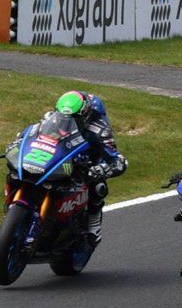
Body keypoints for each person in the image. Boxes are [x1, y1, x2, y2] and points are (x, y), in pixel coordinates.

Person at [33, 90, 127, 246]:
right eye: (64, 117)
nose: (68, 122)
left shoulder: (99, 130)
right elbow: (33, 134)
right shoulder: (51, 118)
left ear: (85, 116)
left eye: (75, 119)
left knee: (98, 185)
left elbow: (118, 161)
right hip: (62, 151)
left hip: (88, 156)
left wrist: (101, 169)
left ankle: (94, 220)